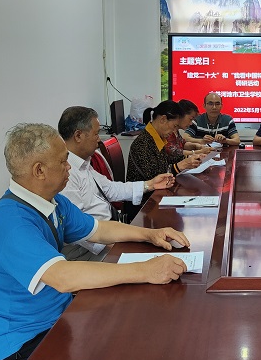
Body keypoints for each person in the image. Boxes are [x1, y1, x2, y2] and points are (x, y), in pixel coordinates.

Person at [0, 123, 189, 360]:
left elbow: (98, 229)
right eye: (62, 162)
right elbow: (63, 277)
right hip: (14, 342)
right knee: (103, 359)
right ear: (39, 170)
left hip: (50, 317)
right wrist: (146, 270)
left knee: (129, 325)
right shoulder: (11, 222)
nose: (69, 167)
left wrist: (150, 235)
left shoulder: (51, 202)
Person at [58, 106, 174, 260]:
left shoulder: (84, 163)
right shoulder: (65, 174)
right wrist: (119, 246)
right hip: (91, 251)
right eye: (96, 134)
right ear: (78, 135)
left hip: (111, 233)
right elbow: (77, 230)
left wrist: (150, 185)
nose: (99, 139)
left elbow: (110, 188)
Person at [126, 100, 201, 183]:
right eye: (174, 126)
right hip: (145, 191)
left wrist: (189, 158)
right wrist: (179, 166)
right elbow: (154, 178)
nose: (173, 130)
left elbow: (167, 161)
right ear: (163, 119)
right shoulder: (142, 143)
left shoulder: (157, 137)